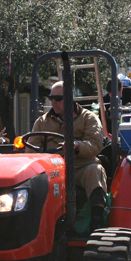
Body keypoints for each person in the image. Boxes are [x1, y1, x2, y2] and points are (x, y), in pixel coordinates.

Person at [29, 81, 107, 232]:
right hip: (51, 169)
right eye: (51, 98)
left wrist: (76, 146)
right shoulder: (42, 122)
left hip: (80, 167)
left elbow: (95, 145)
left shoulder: (88, 118)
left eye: (58, 98)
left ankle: (97, 220)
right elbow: (31, 149)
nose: (53, 102)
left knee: (95, 170)